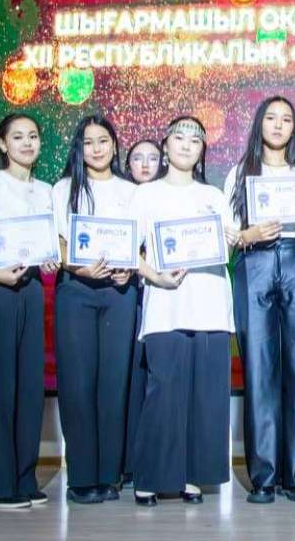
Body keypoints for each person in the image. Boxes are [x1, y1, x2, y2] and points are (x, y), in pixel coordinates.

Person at [130, 116, 238, 507]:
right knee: (163, 392)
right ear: (165, 145)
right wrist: (155, 277)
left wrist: (234, 237)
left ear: (203, 149)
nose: (187, 144)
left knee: (206, 396)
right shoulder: (146, 194)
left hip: (210, 305)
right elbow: (130, 250)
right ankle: (151, 478)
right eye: (180, 136)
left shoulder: (213, 196)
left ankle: (194, 476)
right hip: (166, 305)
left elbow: (228, 247)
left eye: (196, 139)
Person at [226, 97, 295, 503]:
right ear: (259, 123)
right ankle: (264, 476)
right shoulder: (239, 172)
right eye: (271, 117)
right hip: (255, 266)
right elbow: (228, 234)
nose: (279, 125)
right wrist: (248, 235)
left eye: (287, 119)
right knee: (260, 373)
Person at [0, 113, 58, 508]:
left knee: (28, 384)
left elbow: (49, 241)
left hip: (31, 288)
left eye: (33, 136)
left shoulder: (47, 190)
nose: (27, 142)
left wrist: (52, 258)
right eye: (17, 137)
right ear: (3, 144)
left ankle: (24, 477)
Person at [52, 116, 138, 504]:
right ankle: (81, 478)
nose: (97, 149)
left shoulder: (132, 191)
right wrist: (77, 266)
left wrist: (128, 270)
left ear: (115, 146)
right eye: (88, 143)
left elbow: (140, 243)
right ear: (78, 148)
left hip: (120, 293)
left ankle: (109, 475)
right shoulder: (63, 188)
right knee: (77, 383)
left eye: (104, 141)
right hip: (77, 291)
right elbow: (56, 240)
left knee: (114, 384)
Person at [121, 137, 159, 486]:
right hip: (127, 296)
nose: (145, 165)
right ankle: (129, 465)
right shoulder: (121, 198)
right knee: (131, 381)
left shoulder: (166, 199)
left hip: (164, 297)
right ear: (127, 163)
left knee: (156, 382)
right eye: (137, 158)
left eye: (152, 158)